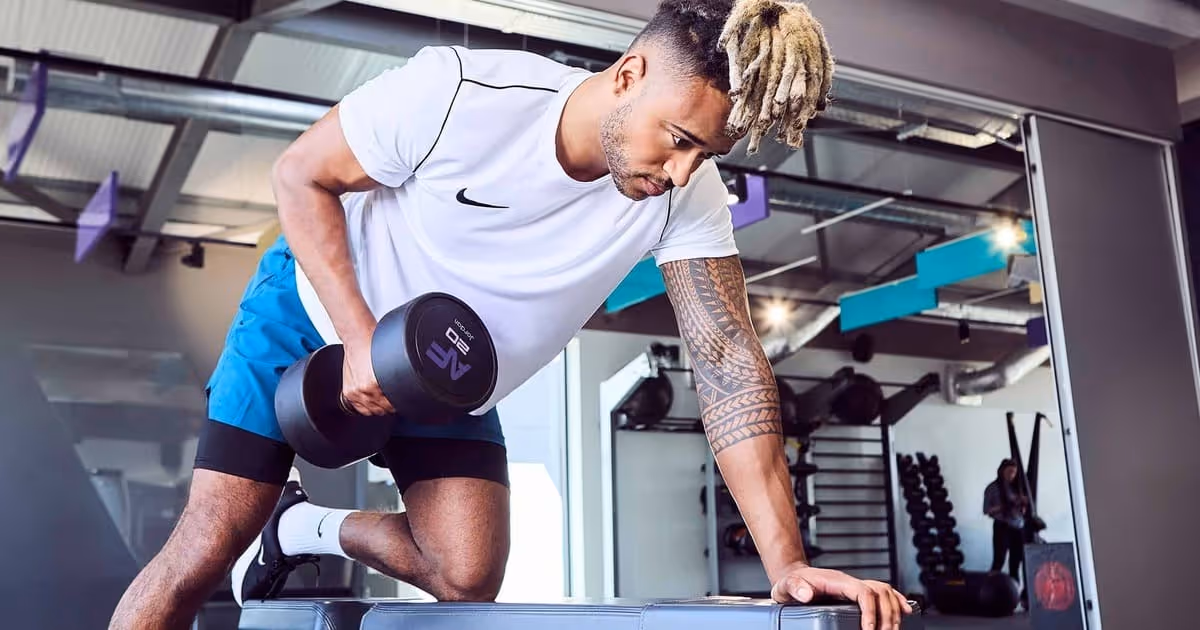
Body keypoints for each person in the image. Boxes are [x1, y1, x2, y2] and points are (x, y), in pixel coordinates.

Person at [109, 1, 912, 629]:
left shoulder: (686, 197)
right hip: (315, 312)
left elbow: (726, 359)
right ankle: (259, 528)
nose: (682, 170)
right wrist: (358, 338)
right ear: (630, 73)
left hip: (453, 370)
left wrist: (787, 565)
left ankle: (305, 531)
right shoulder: (461, 93)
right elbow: (300, 177)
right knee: (205, 550)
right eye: (677, 139)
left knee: (466, 577)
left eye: (706, 153)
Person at [983, 459, 1030, 584]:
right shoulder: (992, 488)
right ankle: (990, 589)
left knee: (1016, 562)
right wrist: (1005, 505)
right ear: (1002, 471)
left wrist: (1022, 504)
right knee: (999, 560)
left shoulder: (1017, 488)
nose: (1011, 475)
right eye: (1009, 472)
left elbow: (1023, 511)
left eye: (1014, 472)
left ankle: (1015, 593)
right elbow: (987, 510)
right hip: (1002, 526)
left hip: (1018, 527)